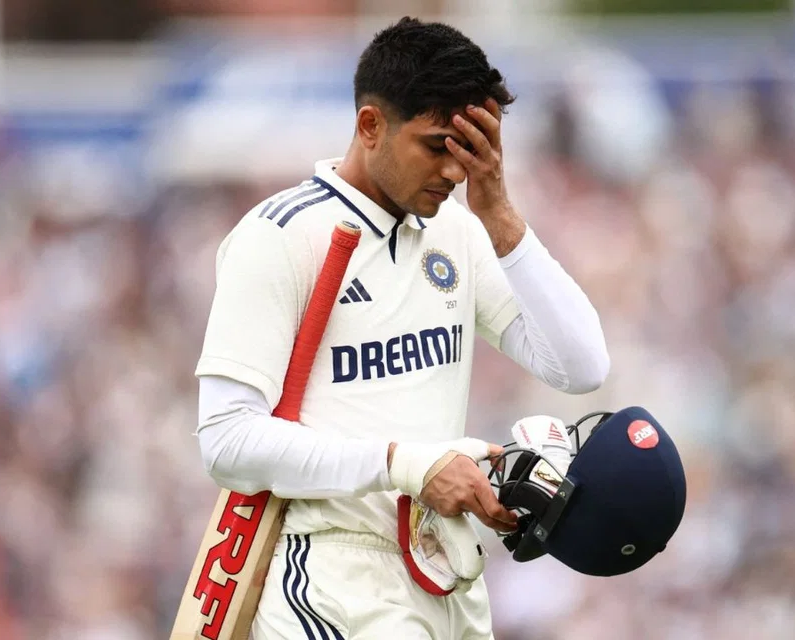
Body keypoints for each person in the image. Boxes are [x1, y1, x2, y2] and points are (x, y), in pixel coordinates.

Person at [194, 16, 610, 639]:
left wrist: (496, 209)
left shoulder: (460, 231)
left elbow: (581, 367)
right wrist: (407, 465)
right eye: (437, 144)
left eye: (469, 150)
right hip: (333, 577)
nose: (453, 170)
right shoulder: (281, 234)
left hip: (448, 578)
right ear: (370, 125)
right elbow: (226, 442)